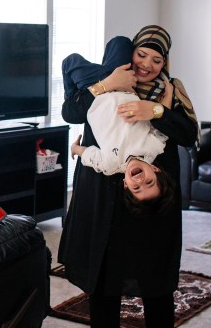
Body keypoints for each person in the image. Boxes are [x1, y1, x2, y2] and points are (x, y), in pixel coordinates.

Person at [59, 25, 200, 328]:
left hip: (155, 192)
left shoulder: (170, 89)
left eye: (157, 59)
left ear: (165, 62)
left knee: (158, 266)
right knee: (106, 270)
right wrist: (107, 85)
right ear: (130, 53)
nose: (148, 65)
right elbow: (70, 113)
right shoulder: (106, 78)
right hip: (104, 188)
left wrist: (152, 110)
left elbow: (189, 134)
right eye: (142, 54)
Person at [62, 37, 176, 209]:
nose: (140, 181)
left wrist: (75, 149)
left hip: (95, 92)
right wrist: (168, 97)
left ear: (125, 184)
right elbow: (162, 124)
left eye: (136, 187)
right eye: (149, 182)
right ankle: (93, 80)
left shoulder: (110, 165)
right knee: (120, 42)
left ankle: (73, 96)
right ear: (156, 171)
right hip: (125, 85)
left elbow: (90, 156)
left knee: (70, 61)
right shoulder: (153, 149)